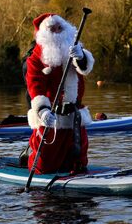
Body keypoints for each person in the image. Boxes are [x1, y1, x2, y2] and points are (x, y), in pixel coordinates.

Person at [25, 12, 95, 174]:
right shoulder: (36, 59)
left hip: (75, 118)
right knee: (44, 164)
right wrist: (42, 110)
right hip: (52, 118)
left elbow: (85, 69)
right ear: (44, 34)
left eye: (60, 28)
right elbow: (35, 86)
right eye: (52, 29)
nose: (57, 31)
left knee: (78, 161)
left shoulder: (75, 49)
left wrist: (81, 56)